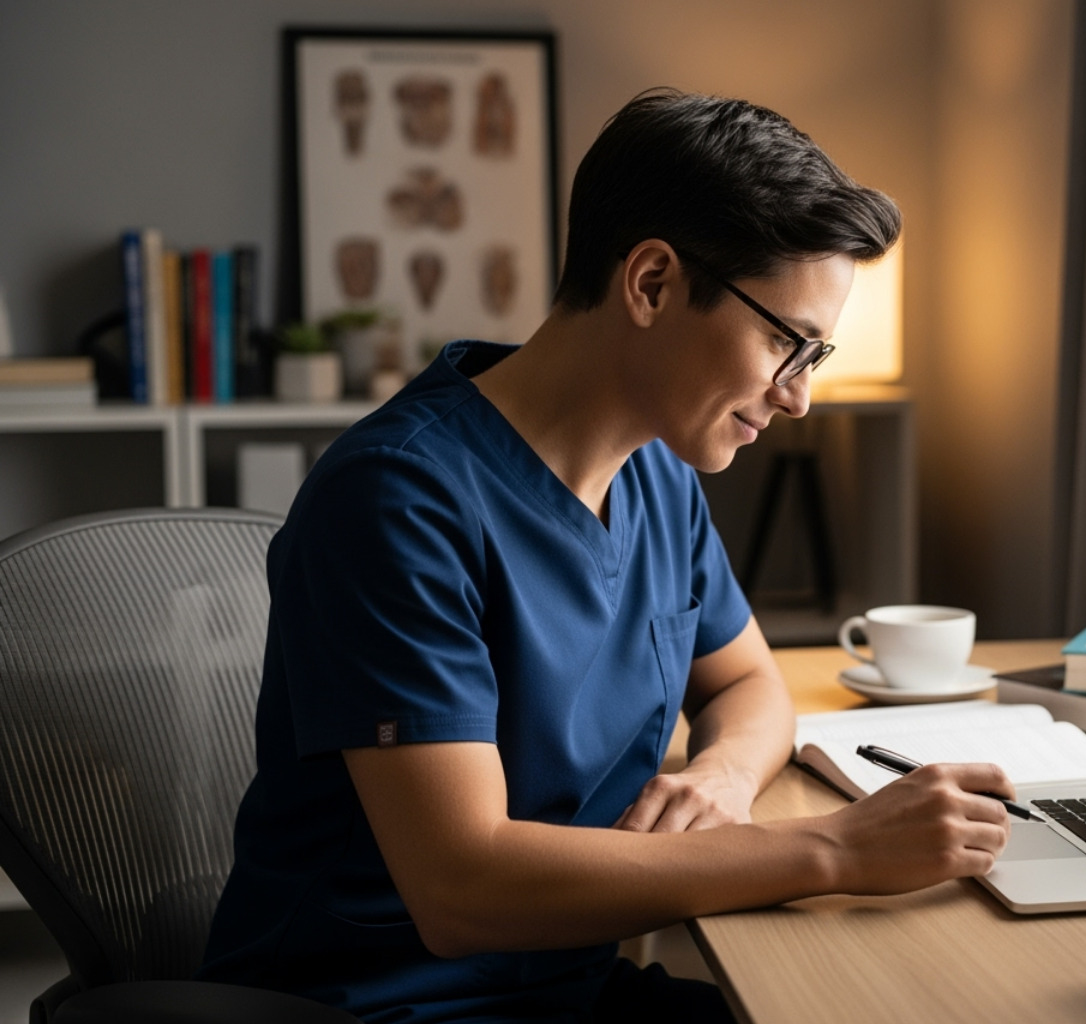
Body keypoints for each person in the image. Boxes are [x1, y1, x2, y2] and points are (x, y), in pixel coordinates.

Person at [198, 89, 1013, 1023]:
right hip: (384, 1005)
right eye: (787, 343)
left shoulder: (657, 476)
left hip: (561, 986)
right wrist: (836, 851)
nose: (799, 400)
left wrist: (720, 777)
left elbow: (750, 685)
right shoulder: (397, 500)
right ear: (653, 283)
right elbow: (463, 888)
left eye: (814, 357)